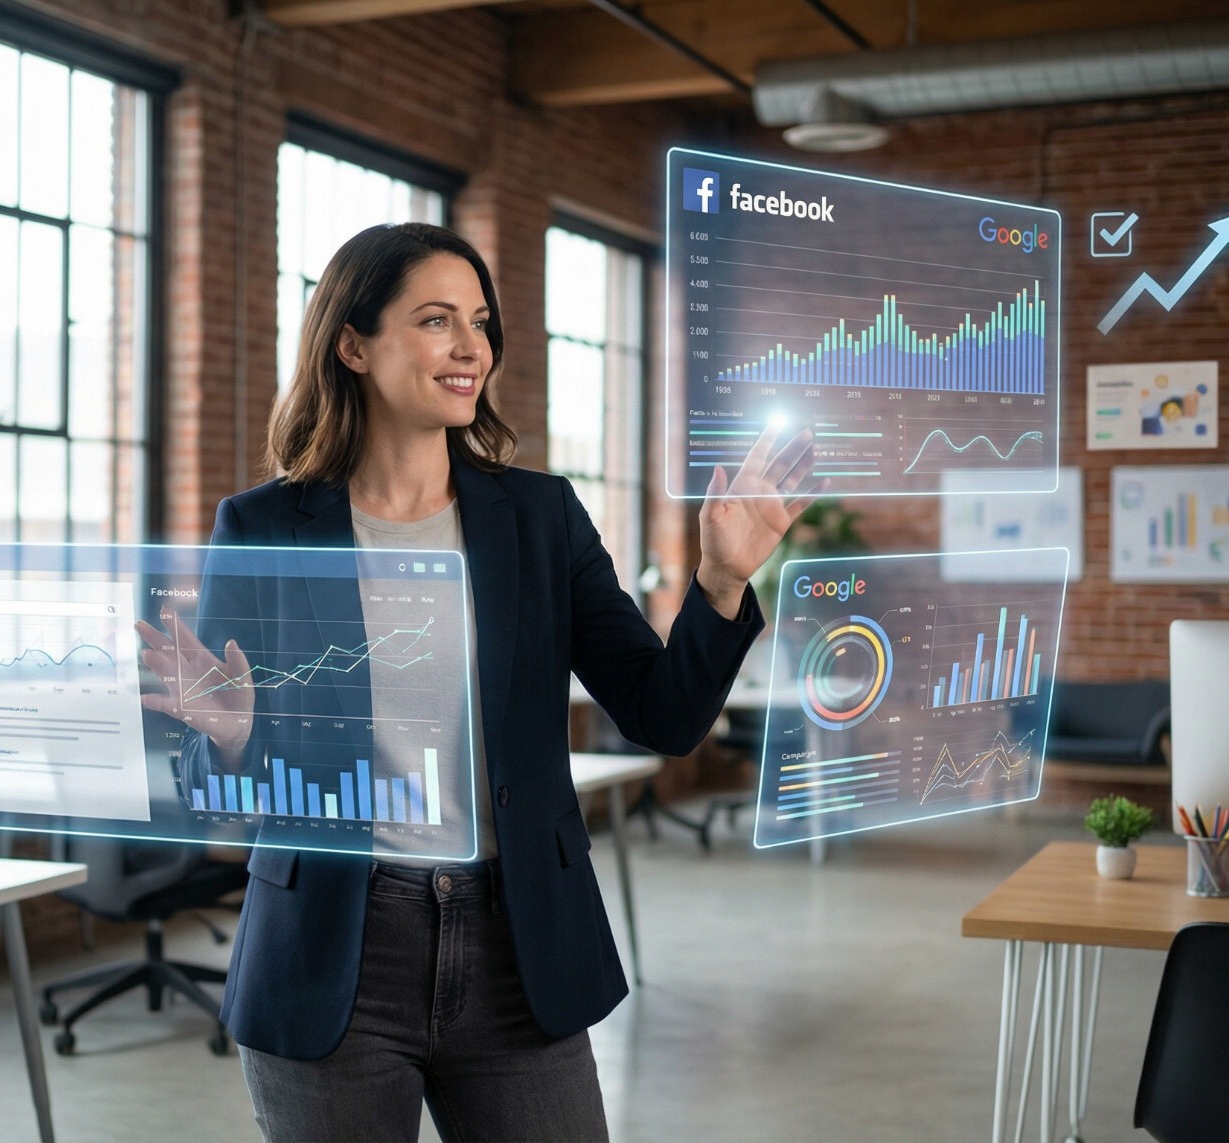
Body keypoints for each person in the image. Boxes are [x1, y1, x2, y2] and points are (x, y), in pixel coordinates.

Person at [140, 222, 819, 1142]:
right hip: (333, 948)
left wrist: (721, 582)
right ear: (353, 343)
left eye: (481, 322)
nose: (472, 348)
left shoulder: (539, 518)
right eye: (435, 320)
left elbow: (664, 715)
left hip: (517, 944)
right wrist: (224, 735)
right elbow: (209, 790)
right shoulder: (264, 525)